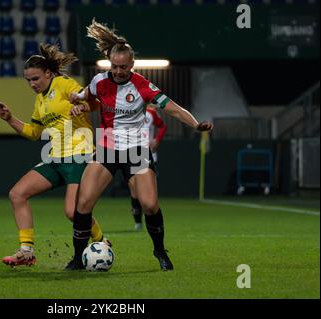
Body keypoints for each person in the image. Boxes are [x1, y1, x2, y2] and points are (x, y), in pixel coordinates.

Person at [65, 20, 213, 271]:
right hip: (107, 149)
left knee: (149, 204)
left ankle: (160, 251)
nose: (119, 71)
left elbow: (174, 109)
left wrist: (196, 124)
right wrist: (78, 102)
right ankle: (78, 258)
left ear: (132, 65)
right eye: (115, 66)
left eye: (123, 67)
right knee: (83, 204)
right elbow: (85, 97)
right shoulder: (100, 81)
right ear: (109, 63)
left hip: (136, 151)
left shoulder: (143, 86)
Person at [0, 43, 108, 268]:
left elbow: (95, 101)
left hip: (79, 155)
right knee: (17, 194)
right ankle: (26, 251)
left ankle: (102, 241)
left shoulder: (64, 84)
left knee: (72, 212)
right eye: (28, 80)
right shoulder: (41, 100)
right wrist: (9, 118)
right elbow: (34, 133)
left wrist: (82, 107)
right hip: (55, 158)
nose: (32, 84)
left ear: (48, 73)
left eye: (35, 78)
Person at [128, 105, 167, 231]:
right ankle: (138, 222)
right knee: (134, 191)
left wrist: (157, 140)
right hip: (130, 153)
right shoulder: (124, 110)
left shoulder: (151, 112)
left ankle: (153, 224)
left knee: (149, 194)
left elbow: (162, 126)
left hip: (147, 153)